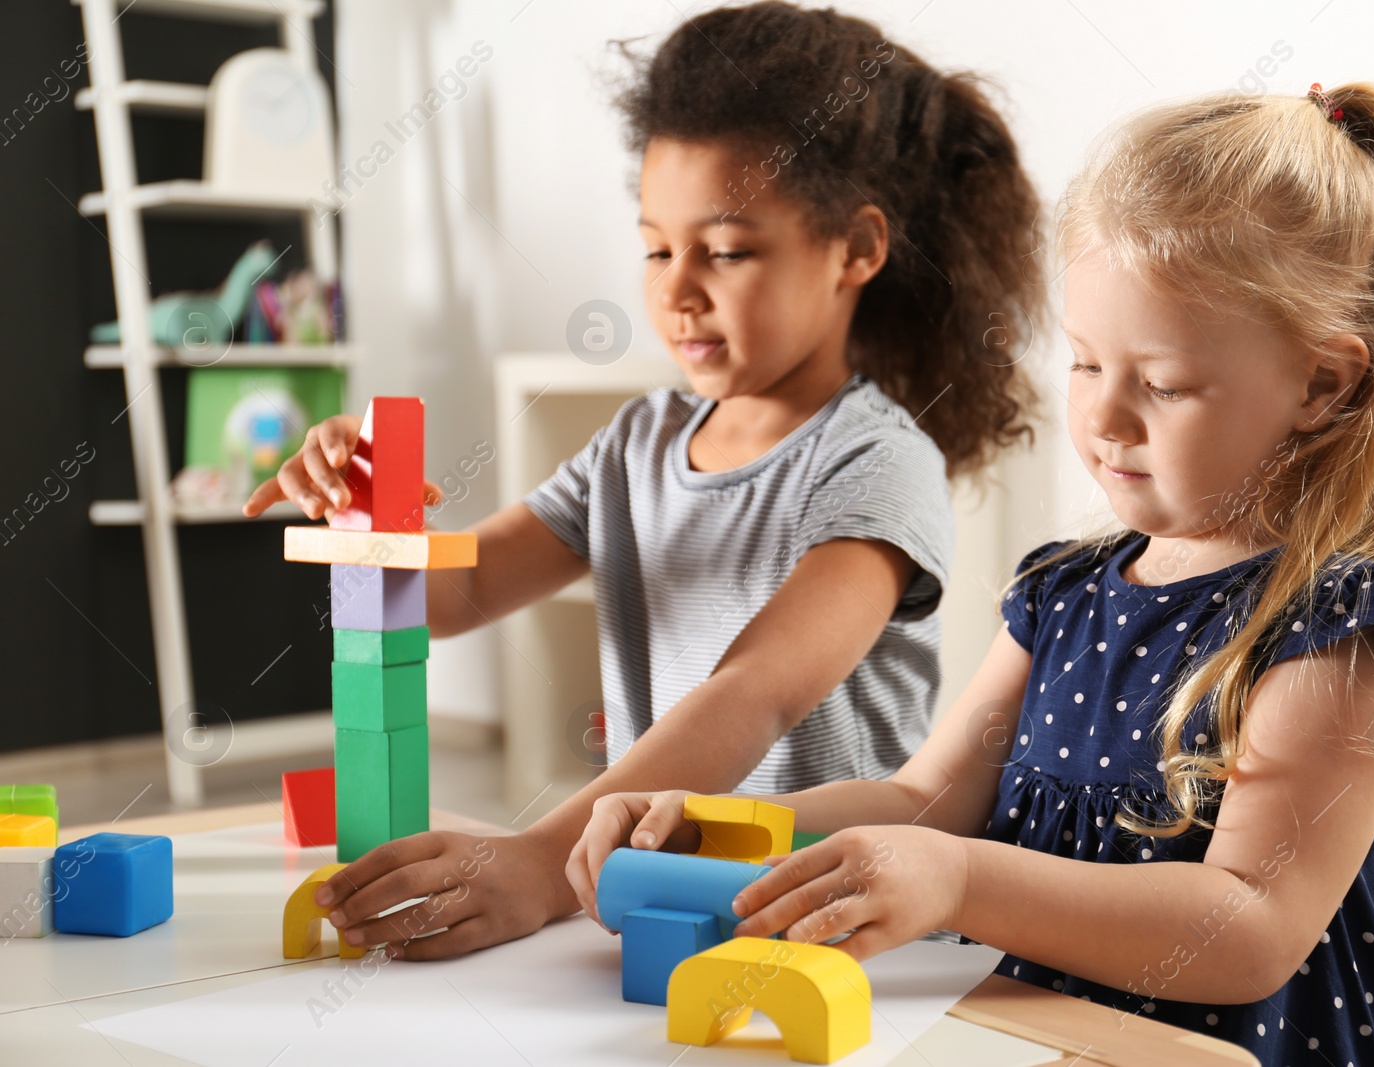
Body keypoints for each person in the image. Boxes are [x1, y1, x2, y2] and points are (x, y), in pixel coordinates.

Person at [569, 82, 1374, 1066]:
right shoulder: (1063, 592)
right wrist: (725, 829)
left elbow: (1247, 923)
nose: (1102, 417)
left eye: (1162, 382)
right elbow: (926, 803)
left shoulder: (1342, 625)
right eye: (1088, 364)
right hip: (1038, 1037)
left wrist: (961, 880)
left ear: (1320, 382)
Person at [242, 1, 1045, 959]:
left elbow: (757, 692)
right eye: (657, 247)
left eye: (729, 251)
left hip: (818, 909)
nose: (676, 289)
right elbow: (455, 591)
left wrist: (541, 862)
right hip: (647, 882)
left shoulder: (878, 463)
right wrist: (361, 507)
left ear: (857, 250)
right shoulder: (636, 443)